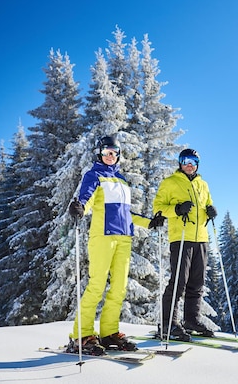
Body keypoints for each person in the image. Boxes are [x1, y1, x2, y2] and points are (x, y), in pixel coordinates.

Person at [66, 135, 159, 355]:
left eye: (115, 152)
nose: (111, 156)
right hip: (103, 237)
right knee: (97, 286)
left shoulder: (123, 180)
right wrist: (80, 208)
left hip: (124, 238)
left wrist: (149, 222)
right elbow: (86, 199)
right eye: (107, 152)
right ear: (99, 153)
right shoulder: (94, 175)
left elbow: (126, 212)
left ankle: (108, 333)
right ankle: (81, 335)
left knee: (119, 288)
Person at [153, 148, 217, 341]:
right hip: (181, 237)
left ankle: (191, 320)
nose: (189, 164)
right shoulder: (170, 183)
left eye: (193, 161)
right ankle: (168, 324)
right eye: (186, 160)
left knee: (197, 282)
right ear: (180, 163)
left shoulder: (203, 184)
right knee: (179, 281)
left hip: (201, 238)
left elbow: (207, 204)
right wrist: (177, 209)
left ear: (197, 164)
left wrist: (211, 211)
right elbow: (158, 208)